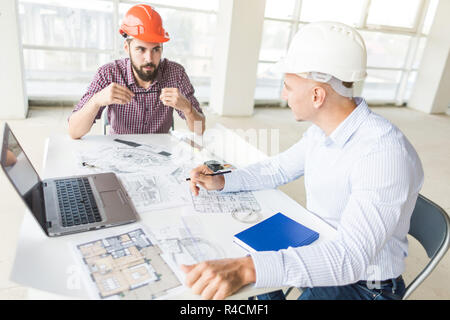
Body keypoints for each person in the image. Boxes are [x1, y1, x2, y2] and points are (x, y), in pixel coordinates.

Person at [182, 21, 424, 300]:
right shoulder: (322, 132)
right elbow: (277, 168)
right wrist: (223, 180)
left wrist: (248, 268)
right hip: (322, 246)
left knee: (248, 271)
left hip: (364, 284)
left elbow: (351, 258)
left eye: (287, 86)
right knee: (241, 270)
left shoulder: (382, 154)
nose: (283, 95)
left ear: (317, 95)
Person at [68, 4, 205, 139]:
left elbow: (200, 131)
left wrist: (189, 109)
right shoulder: (108, 74)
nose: (149, 59)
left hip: (161, 154)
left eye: (156, 49)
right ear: (127, 48)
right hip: (120, 151)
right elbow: (74, 132)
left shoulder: (176, 73)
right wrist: (96, 101)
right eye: (141, 49)